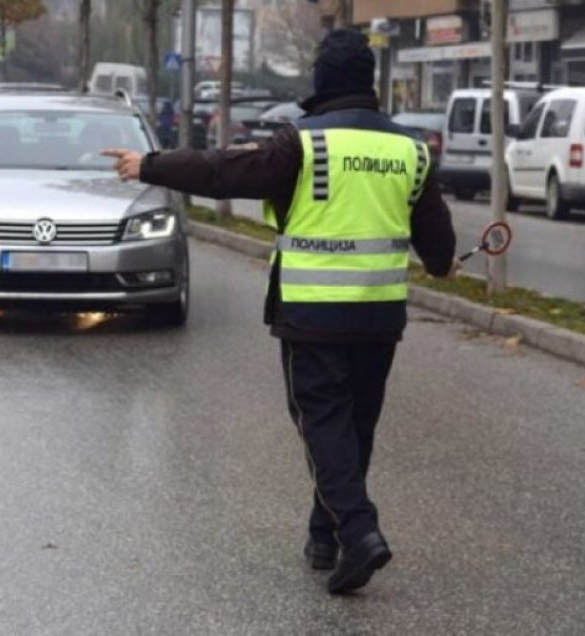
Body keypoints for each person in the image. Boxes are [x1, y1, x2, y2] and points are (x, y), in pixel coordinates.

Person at [103, 29, 458, 595]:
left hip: (314, 312)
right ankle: (326, 538)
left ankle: (360, 532)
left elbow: (224, 171)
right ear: (368, 81)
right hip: (379, 316)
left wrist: (149, 165)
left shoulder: (304, 142)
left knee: (323, 426)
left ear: (321, 79)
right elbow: (438, 251)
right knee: (354, 428)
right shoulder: (410, 149)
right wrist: (445, 263)